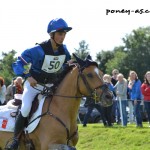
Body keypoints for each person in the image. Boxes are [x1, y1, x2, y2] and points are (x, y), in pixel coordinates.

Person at [6, 18, 72, 149]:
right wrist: (27, 76)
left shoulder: (64, 50)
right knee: (25, 108)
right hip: (33, 86)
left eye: (64, 33)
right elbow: (17, 63)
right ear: (51, 34)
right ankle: (15, 139)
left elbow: (67, 65)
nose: (63, 36)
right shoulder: (37, 50)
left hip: (51, 87)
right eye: (60, 33)